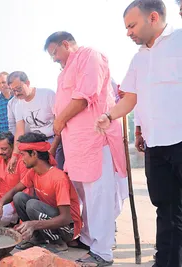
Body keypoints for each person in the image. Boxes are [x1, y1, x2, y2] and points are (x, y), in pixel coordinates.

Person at [95, 1, 182, 266]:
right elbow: (131, 98)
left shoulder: (179, 41)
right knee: (166, 208)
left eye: (132, 25)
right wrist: (109, 115)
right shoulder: (138, 58)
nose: (128, 32)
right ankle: (166, 261)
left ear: (153, 17)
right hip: (156, 145)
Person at [44, 31, 127, 266]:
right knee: (85, 197)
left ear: (66, 44)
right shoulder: (64, 73)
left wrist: (60, 121)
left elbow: (84, 96)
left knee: (99, 196)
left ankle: (102, 251)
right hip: (76, 145)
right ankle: (89, 239)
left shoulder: (90, 55)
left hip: (95, 139)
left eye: (55, 53)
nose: (55, 59)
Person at [0, 132, 81, 253]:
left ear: (34, 154)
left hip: (68, 228)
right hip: (51, 218)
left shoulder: (58, 178)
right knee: (19, 197)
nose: (21, 160)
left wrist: (33, 224)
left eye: (23, 155)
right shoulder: (33, 172)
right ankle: (37, 238)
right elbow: (15, 191)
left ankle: (58, 243)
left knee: (33, 205)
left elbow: (65, 218)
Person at [5, 71, 61, 171]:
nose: (17, 93)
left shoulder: (47, 94)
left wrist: (53, 147)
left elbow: (60, 121)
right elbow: (19, 132)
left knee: (57, 174)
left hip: (55, 142)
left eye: (18, 89)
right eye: (13, 91)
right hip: (35, 146)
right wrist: (14, 155)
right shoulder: (18, 105)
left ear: (27, 83)